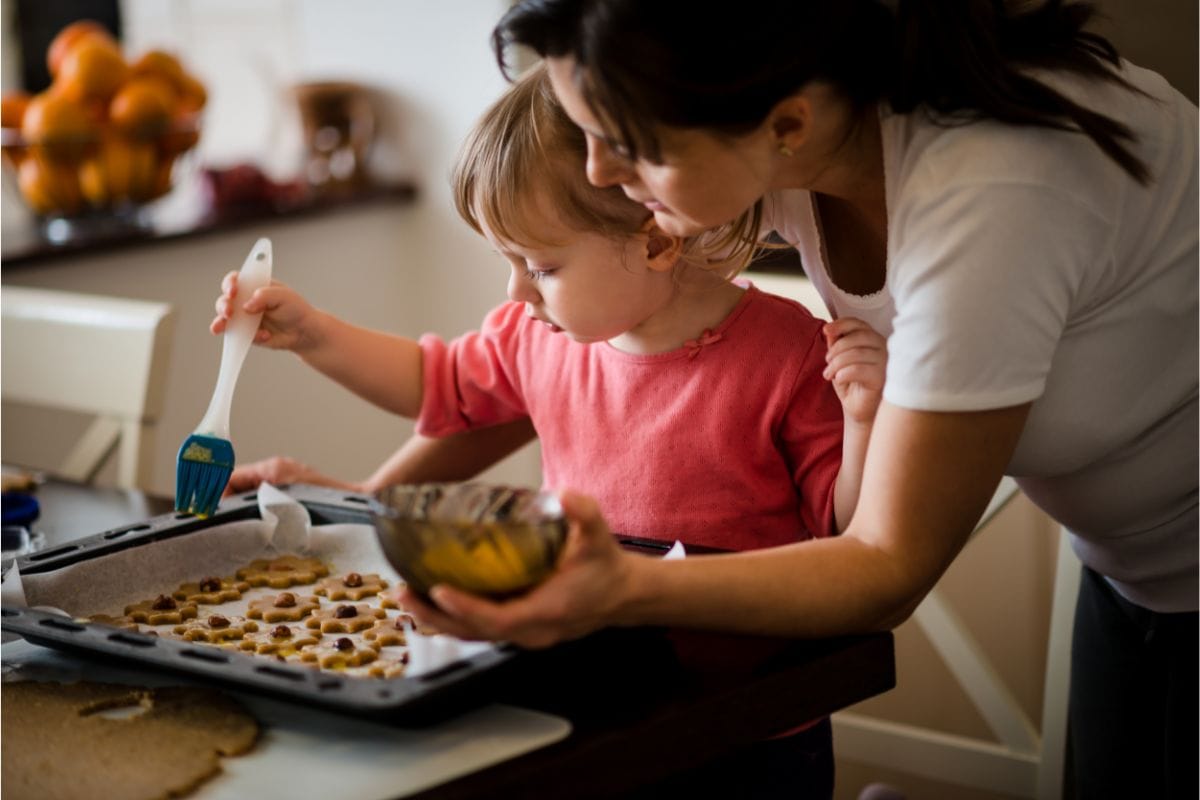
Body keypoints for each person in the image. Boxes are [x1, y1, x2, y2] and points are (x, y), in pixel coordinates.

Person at [397, 2, 1198, 798]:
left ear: (787, 124)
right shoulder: (793, 140)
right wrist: (369, 501)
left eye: (630, 145)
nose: (600, 171)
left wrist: (622, 589)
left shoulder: (990, 193)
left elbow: (887, 565)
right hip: (1129, 569)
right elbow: (528, 369)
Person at [213, 64, 888, 794]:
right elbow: (432, 385)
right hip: (588, 687)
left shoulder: (789, 352)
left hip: (744, 717)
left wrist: (862, 421)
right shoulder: (537, 336)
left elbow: (843, 526)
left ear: (657, 241)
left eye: (540, 265)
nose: (515, 292)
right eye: (508, 263)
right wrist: (315, 333)